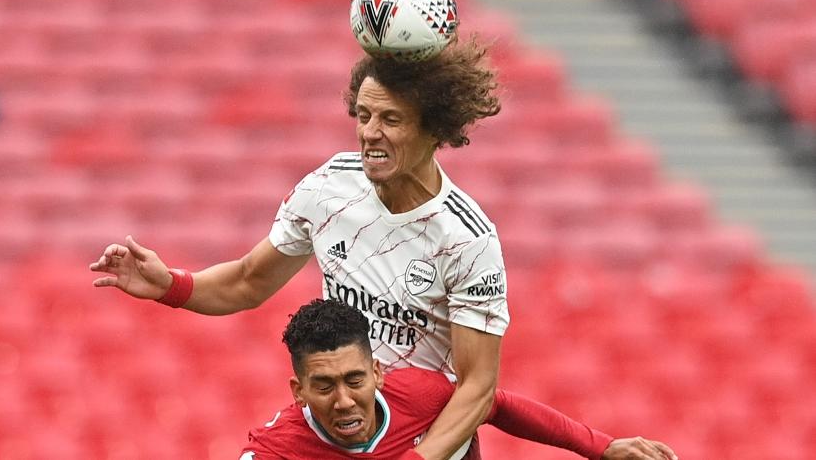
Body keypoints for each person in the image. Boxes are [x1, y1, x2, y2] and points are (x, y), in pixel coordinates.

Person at [89, 39, 659, 459]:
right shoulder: (329, 188)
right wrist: (171, 286)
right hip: (343, 416)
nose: (369, 132)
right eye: (362, 116)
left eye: (390, 119)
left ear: (434, 130)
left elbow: (479, 388)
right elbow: (245, 281)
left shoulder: (467, 238)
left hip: (425, 436)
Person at [241, 298, 678, 460]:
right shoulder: (276, 451)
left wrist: (600, 446)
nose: (343, 400)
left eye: (354, 380)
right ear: (298, 392)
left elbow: (496, 404)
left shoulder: (416, 394)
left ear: (377, 371)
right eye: (324, 386)